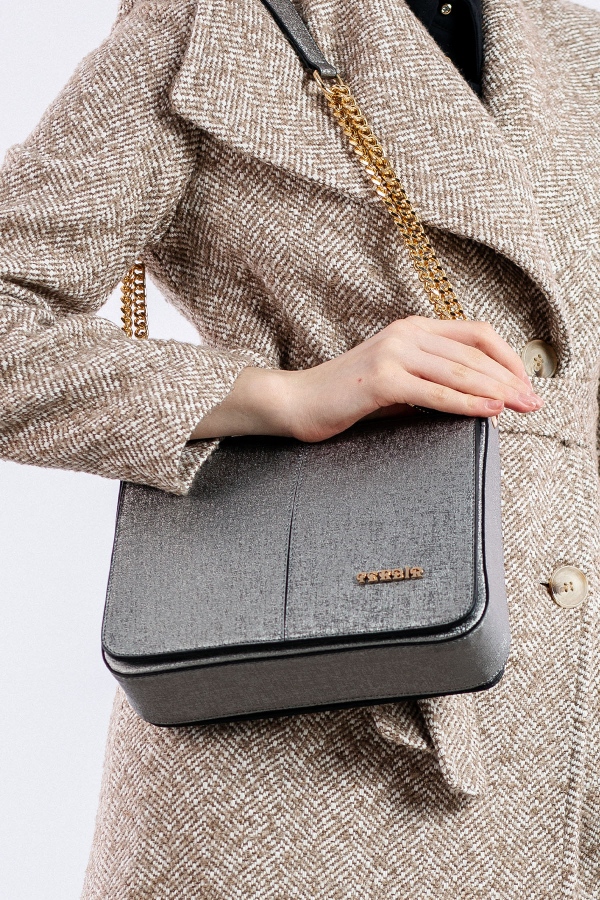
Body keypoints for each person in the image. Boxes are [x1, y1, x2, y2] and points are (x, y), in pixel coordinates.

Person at [1, 0, 598, 895]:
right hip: (311, 752)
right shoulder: (217, 20)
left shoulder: (573, 38)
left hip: (567, 728)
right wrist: (288, 396)